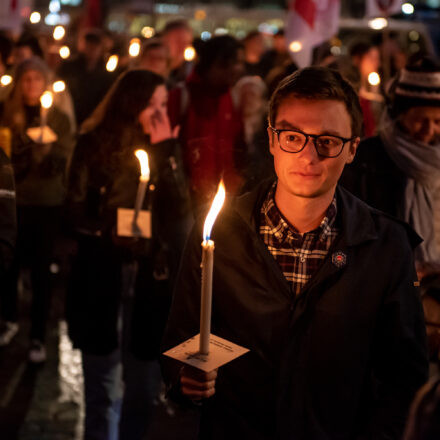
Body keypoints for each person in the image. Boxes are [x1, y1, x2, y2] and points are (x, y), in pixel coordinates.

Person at [162, 67, 428, 439]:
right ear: (271, 140)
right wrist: (185, 377)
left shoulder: (385, 245)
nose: (308, 155)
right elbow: (181, 336)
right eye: (292, 137)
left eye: (327, 141)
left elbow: (403, 374)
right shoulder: (221, 234)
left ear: (352, 148)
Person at [67, 69, 190, 440]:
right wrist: (106, 230)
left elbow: (181, 215)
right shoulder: (94, 143)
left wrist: (166, 151)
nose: (159, 113)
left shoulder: (166, 148)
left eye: (163, 105)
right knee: (101, 385)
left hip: (148, 278)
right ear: (130, 102)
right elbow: (73, 208)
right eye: (152, 104)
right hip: (101, 272)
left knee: (142, 387)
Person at [0, 57, 73, 361]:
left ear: (46, 84)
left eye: (37, 80)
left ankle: (38, 336)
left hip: (46, 202)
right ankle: (8, 318)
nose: (31, 85)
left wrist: (48, 153)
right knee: (9, 264)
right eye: (26, 79)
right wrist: (28, 153)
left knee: (41, 269)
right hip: (13, 201)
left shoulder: (58, 118)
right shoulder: (7, 114)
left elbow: (64, 160)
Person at [341, 57, 440, 266]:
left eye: (438, 121)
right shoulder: (367, 160)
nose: (429, 130)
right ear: (399, 116)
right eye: (420, 120)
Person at [168, 35, 246, 210]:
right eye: (233, 63)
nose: (238, 69)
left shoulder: (232, 97)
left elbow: (237, 144)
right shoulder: (181, 96)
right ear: (214, 63)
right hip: (187, 198)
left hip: (225, 196)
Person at [57, 29, 114, 125]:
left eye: (95, 47)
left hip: (91, 116)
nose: (92, 50)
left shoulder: (105, 74)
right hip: (69, 111)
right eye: (89, 46)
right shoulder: (69, 66)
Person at [161, 20, 193, 88]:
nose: (182, 46)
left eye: (186, 42)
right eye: (178, 41)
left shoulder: (191, 74)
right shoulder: (151, 70)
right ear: (164, 40)